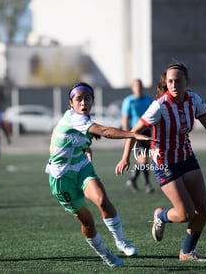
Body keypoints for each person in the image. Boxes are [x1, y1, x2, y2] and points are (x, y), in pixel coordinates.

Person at [115, 63, 206, 262]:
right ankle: (161, 216)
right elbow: (134, 130)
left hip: (187, 157)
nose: (174, 85)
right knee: (185, 213)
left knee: (202, 210)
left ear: (187, 82)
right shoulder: (159, 105)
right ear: (166, 83)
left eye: (178, 81)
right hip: (164, 163)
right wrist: (125, 158)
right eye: (170, 81)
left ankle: (186, 252)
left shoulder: (194, 100)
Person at [46, 82, 155, 267]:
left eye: (87, 98)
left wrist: (86, 149)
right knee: (88, 221)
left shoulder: (83, 119)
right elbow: (104, 131)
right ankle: (105, 254)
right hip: (61, 179)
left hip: (80, 168)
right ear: (70, 103)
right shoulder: (74, 118)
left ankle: (120, 242)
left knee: (103, 200)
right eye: (78, 99)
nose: (83, 103)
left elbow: (76, 140)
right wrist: (132, 135)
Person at [121, 79, 154, 193]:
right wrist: (126, 135)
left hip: (147, 133)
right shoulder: (129, 101)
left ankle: (133, 180)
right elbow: (125, 119)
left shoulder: (149, 100)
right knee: (143, 159)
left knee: (143, 159)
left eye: (140, 86)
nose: (138, 88)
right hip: (135, 133)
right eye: (136, 86)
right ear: (132, 88)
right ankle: (147, 184)